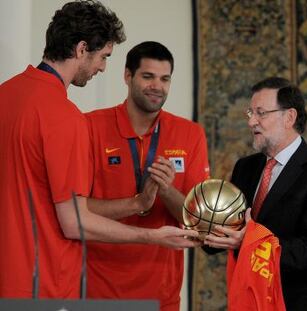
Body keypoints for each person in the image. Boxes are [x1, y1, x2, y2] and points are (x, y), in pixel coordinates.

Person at [0, 1, 199, 299]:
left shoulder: (5, 94)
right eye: (103, 56)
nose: (103, 67)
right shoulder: (66, 117)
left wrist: (137, 203)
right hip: (43, 287)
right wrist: (152, 236)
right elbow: (74, 222)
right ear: (82, 49)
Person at [85, 41, 210, 310]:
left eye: (165, 79)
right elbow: (76, 208)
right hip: (96, 291)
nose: (157, 86)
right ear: (128, 76)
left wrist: (167, 190)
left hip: (161, 296)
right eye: (148, 76)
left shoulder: (190, 134)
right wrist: (137, 202)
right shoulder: (89, 127)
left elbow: (199, 224)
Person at [205, 77, 307, 310]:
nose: (251, 121)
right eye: (250, 112)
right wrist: (201, 226)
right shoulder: (245, 167)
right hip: (250, 300)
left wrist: (251, 242)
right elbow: (227, 232)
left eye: (261, 113)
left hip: (299, 303)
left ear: (289, 117)